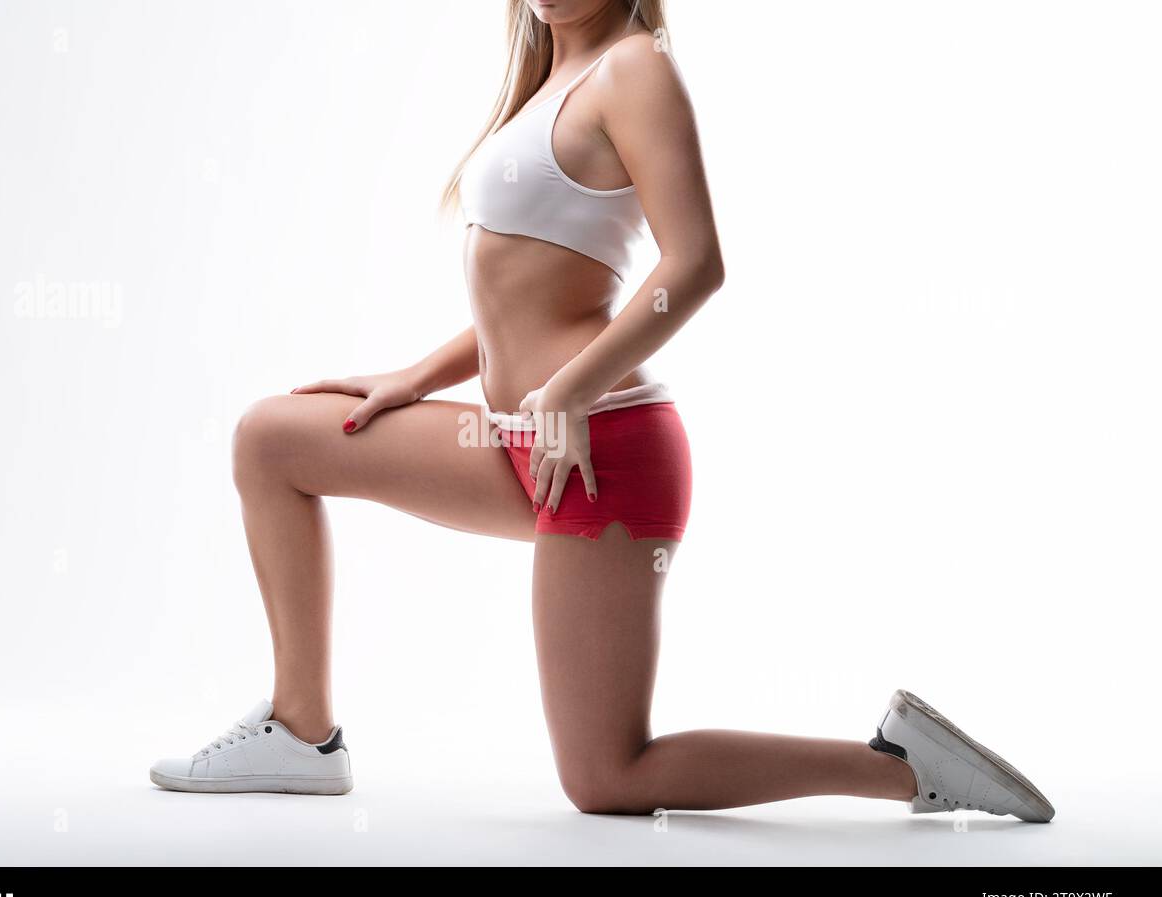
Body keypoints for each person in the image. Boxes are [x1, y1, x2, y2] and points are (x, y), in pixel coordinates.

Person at [151, 0, 1054, 823]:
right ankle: (303, 732)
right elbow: (525, 296)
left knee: (605, 778)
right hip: (516, 441)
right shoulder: (546, 78)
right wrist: (416, 377)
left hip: (602, 451)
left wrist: (574, 387)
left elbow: (694, 263)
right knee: (272, 439)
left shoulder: (634, 68)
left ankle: (901, 765)